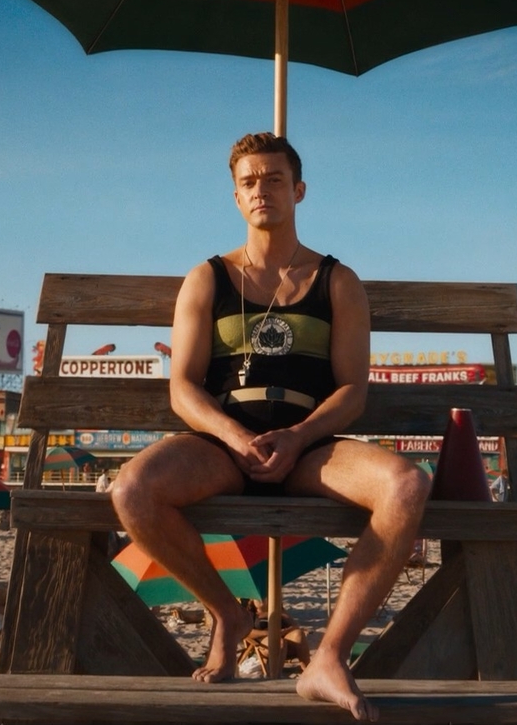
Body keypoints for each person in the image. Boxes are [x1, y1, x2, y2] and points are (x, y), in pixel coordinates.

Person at [108, 133, 430, 721]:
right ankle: (228, 613)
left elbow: (352, 390)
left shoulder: (337, 281)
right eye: (250, 182)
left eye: (274, 179)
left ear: (298, 190)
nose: (262, 190)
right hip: (221, 448)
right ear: (235, 197)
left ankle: (329, 658)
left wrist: (300, 435)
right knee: (131, 490)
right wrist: (235, 437)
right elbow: (182, 386)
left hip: (312, 448)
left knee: (407, 486)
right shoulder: (208, 277)